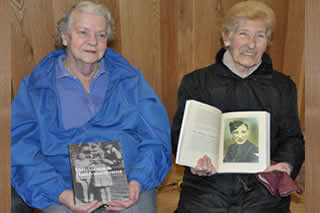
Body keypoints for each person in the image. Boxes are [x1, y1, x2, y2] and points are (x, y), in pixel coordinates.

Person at [11, 1, 171, 213]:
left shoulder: (130, 80)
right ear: (65, 37)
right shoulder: (35, 88)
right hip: (62, 187)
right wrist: (60, 192)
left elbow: (156, 139)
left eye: (101, 35)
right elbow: (21, 150)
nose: (93, 42)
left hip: (127, 182)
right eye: (83, 32)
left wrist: (138, 181)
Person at [171, 1, 305, 212]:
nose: (251, 44)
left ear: (267, 42)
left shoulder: (283, 86)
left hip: (263, 185)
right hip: (208, 184)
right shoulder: (196, 82)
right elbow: (180, 134)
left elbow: (292, 138)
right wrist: (193, 160)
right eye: (243, 34)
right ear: (226, 38)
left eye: (260, 36)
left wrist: (286, 164)